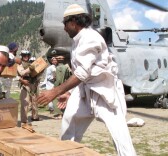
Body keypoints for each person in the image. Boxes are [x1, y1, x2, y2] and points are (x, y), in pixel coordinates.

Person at [37, 4, 136, 156]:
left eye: (65, 23)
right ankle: (66, 152)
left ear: (73, 22)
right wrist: (69, 92)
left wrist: (55, 92)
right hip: (85, 89)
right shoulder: (78, 39)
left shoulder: (90, 38)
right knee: (70, 122)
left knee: (119, 133)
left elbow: (83, 72)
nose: (64, 28)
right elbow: (80, 73)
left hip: (103, 91)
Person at [17, 50, 41, 130]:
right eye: (24, 55)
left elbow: (36, 73)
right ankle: (24, 120)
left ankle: (35, 116)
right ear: (22, 56)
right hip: (25, 84)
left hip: (33, 84)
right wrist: (29, 69)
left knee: (34, 100)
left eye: (27, 55)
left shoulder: (31, 64)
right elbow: (21, 73)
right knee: (25, 102)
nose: (26, 56)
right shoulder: (20, 64)